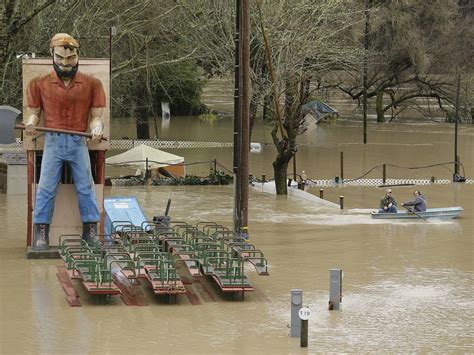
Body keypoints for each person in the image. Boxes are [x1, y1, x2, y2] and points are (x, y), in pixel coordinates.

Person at [25, 33, 106, 250]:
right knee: (46, 188)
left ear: (78, 55)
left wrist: (97, 127)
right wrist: (31, 124)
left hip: (79, 141)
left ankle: (90, 231)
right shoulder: (38, 83)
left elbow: (97, 116)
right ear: (52, 55)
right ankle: (40, 232)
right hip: (52, 140)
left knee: (86, 187)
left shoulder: (93, 84)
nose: (65, 62)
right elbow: (33, 113)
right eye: (60, 57)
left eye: (70, 58)